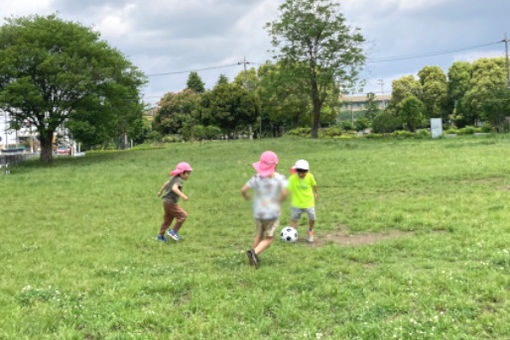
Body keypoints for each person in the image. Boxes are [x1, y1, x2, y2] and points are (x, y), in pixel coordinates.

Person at [242, 151, 287, 268]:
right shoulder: (279, 178)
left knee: (259, 234)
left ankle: (252, 258)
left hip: (258, 213)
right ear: (275, 165)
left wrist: (246, 196)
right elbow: (284, 193)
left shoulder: (256, 178)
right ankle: (254, 253)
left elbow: (244, 190)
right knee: (269, 238)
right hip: (272, 213)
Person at [156, 162, 192, 242]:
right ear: (183, 172)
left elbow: (166, 183)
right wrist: (183, 196)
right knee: (183, 216)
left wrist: (160, 192)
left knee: (167, 220)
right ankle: (173, 232)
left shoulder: (174, 177)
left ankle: (160, 236)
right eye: (188, 173)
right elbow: (174, 188)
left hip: (165, 202)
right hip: (171, 203)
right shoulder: (179, 180)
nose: (188, 175)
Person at [288, 159, 318, 242]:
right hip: (296, 203)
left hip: (309, 202)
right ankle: (292, 235)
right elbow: (286, 189)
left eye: (303, 172)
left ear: (307, 171)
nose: (301, 174)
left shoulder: (310, 177)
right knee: (294, 220)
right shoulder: (292, 178)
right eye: (299, 171)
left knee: (312, 218)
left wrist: (316, 193)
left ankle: (310, 231)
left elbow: (314, 185)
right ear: (296, 170)